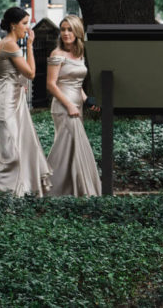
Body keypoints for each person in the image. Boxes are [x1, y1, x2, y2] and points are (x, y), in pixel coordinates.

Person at [0, 6, 52, 196]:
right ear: (13, 25)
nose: (28, 28)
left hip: (13, 100)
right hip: (4, 103)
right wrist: (30, 46)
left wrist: (20, 82)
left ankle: (17, 192)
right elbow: (31, 73)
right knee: (10, 152)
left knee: (20, 146)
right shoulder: (10, 44)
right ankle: (3, 194)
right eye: (24, 24)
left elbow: (13, 73)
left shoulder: (8, 44)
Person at [45, 14, 101, 196]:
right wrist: (69, 105)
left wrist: (86, 100)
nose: (66, 33)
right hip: (63, 106)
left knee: (71, 148)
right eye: (63, 29)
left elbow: (77, 84)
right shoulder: (57, 54)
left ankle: (70, 189)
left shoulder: (80, 53)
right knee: (68, 146)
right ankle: (48, 187)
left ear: (77, 32)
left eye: (69, 29)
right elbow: (51, 84)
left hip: (76, 103)